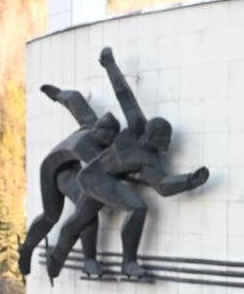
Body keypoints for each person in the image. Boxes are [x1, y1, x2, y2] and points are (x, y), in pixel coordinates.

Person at [47, 47, 209, 280]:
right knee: (135, 208)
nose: (166, 144)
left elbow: (163, 186)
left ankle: (57, 257)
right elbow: (124, 94)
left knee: (80, 220)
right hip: (93, 176)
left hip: (101, 181)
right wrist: (110, 65)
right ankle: (128, 263)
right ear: (150, 135)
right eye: (163, 139)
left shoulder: (151, 161)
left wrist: (189, 181)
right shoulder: (136, 125)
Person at [18, 85, 120, 278]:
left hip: (70, 167)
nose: (108, 141)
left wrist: (57, 94)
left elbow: (75, 99)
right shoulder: (86, 147)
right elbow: (107, 171)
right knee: (54, 216)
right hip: (54, 171)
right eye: (105, 137)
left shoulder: (91, 123)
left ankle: (89, 261)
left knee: (85, 210)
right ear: (97, 131)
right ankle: (27, 249)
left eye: (112, 138)